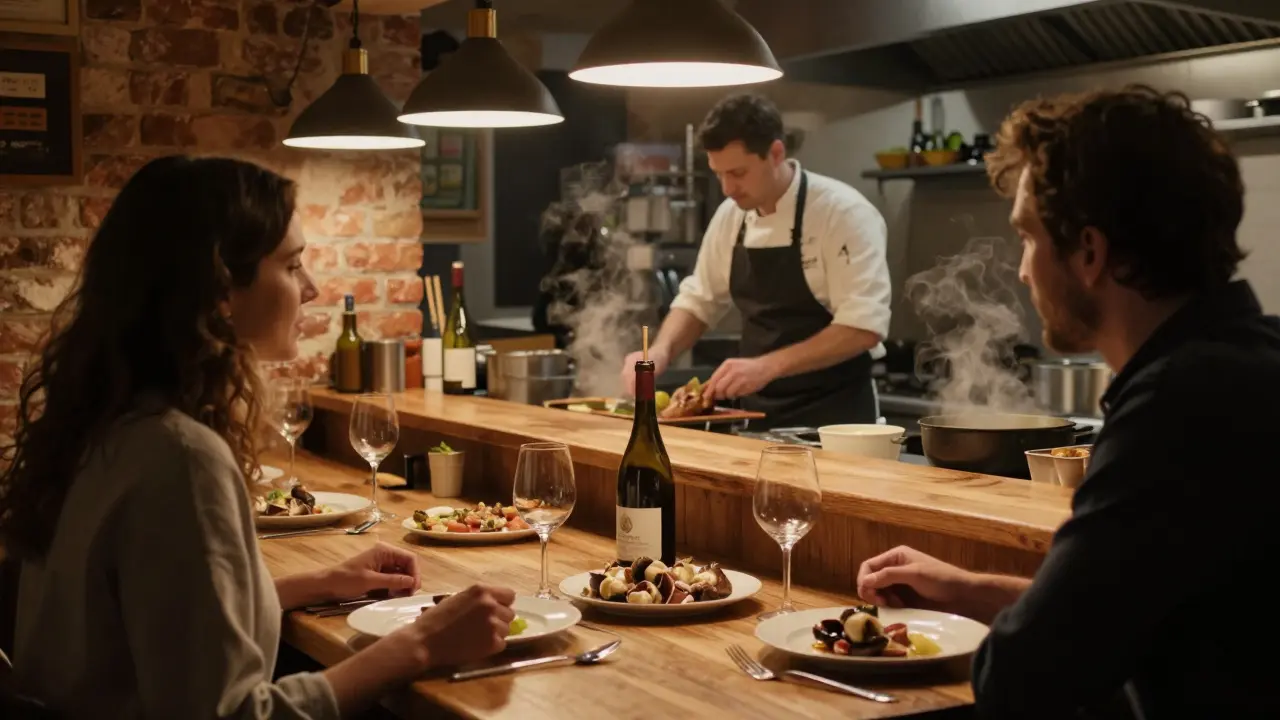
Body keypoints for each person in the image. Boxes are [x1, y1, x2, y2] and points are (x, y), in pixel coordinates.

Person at [0, 156, 516, 718]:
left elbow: (161, 625)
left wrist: (318, 582)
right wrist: (421, 643)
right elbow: (238, 713)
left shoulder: (103, 426)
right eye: (293, 266)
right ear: (220, 288)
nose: (313, 288)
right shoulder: (180, 457)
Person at [856, 86, 1280, 718]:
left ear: (1089, 252)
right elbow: (1128, 611)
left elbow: (1026, 679)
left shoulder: (1173, 410)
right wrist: (973, 591)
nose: (1024, 271)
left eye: (1028, 238)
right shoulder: (1247, 360)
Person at [619, 93, 892, 428]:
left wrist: (767, 366)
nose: (727, 188)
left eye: (738, 172)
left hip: (838, 421)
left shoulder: (843, 213)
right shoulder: (731, 216)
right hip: (759, 418)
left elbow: (863, 328)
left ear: (776, 153)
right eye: (718, 173)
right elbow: (699, 300)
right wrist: (661, 351)